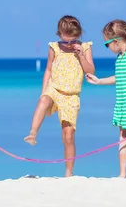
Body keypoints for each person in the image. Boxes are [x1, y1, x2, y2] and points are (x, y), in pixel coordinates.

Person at [23, 15, 95, 177]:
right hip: (54, 89)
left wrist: (81, 56)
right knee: (43, 100)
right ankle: (33, 134)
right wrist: (44, 90)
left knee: (68, 136)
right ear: (59, 34)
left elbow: (90, 71)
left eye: (72, 41)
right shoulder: (54, 47)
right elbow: (48, 69)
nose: (69, 44)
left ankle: (69, 173)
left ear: (78, 35)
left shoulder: (85, 47)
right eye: (65, 41)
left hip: (71, 95)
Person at [85, 20, 126, 179]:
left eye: (106, 45)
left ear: (115, 41)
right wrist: (99, 81)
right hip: (122, 104)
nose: (107, 48)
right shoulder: (120, 58)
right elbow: (119, 77)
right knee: (122, 136)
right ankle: (122, 173)